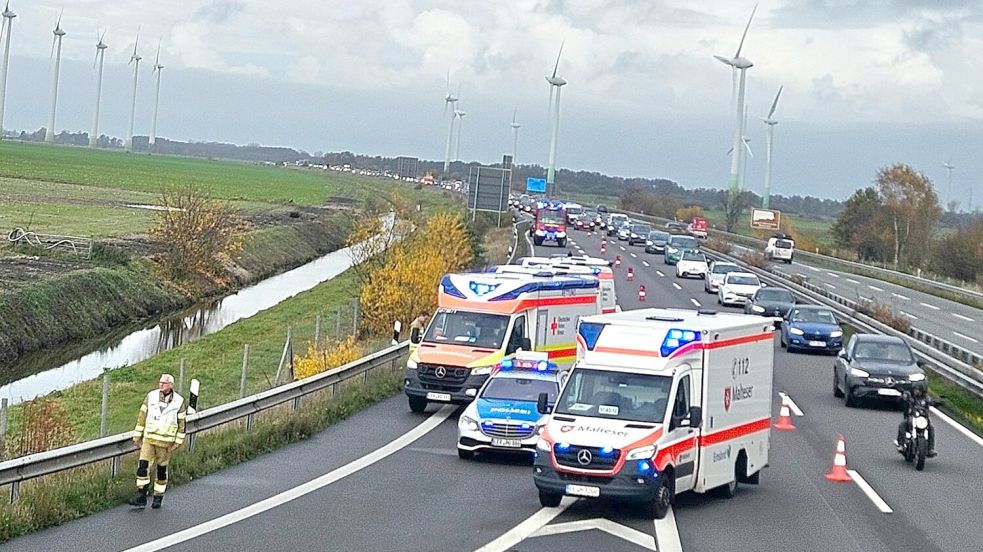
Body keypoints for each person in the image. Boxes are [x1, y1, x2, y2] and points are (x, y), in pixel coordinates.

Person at [128, 373, 187, 509]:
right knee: (143, 467)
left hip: (165, 443)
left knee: (161, 470)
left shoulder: (178, 401)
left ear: (171, 385)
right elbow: (142, 417)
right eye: (160, 382)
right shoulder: (151, 396)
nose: (161, 385)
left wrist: (177, 443)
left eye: (164, 383)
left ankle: (158, 497)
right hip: (149, 439)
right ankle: (141, 495)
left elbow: (182, 423)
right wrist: (137, 436)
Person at [895, 386, 937, 457]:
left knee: (931, 428)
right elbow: (900, 400)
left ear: (922, 391)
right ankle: (901, 445)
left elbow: (931, 401)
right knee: (902, 425)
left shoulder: (926, 398)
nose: (917, 391)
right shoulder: (909, 396)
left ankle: (930, 449)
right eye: (915, 390)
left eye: (919, 390)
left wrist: (936, 402)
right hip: (911, 417)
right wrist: (902, 398)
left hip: (923, 418)